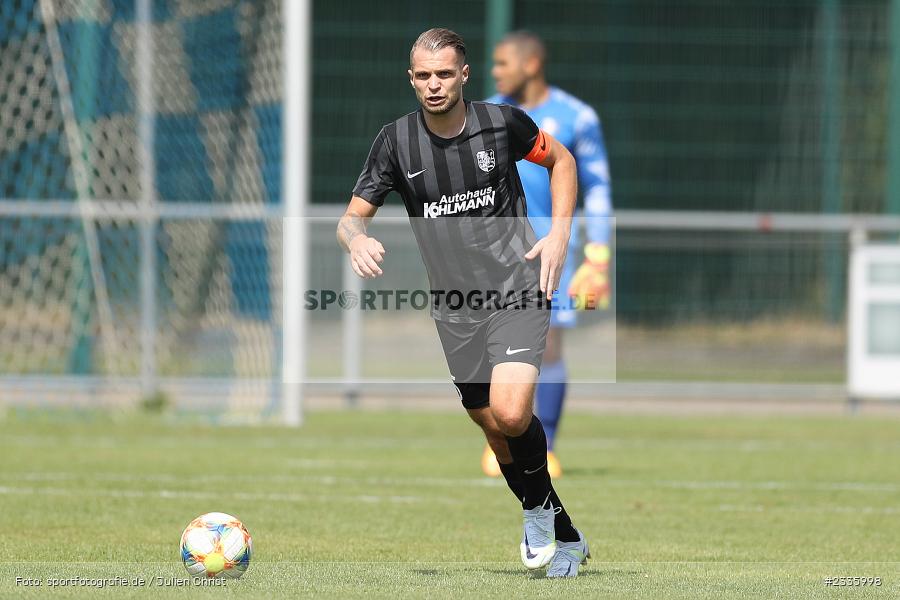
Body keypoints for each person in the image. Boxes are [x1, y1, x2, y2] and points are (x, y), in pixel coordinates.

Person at [336, 28, 590, 577]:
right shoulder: (395, 142)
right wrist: (357, 238)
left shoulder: (502, 124)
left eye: (444, 74)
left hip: (516, 287)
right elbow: (352, 215)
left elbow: (563, 162)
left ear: (463, 75)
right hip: (455, 306)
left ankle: (537, 518)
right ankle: (556, 523)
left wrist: (561, 233)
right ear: (411, 78)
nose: (433, 85)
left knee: (512, 411)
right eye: (423, 75)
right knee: (493, 428)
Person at [483, 30, 613, 479]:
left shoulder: (576, 116)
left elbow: (597, 188)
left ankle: (547, 447)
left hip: (552, 251)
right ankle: (503, 439)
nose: (495, 72)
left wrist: (598, 255)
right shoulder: (486, 113)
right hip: (494, 252)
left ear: (531, 64)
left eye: (503, 63)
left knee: (549, 344)